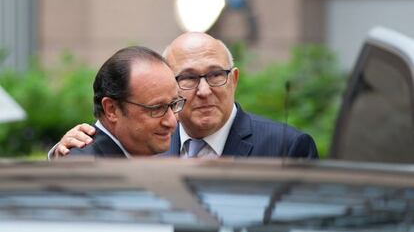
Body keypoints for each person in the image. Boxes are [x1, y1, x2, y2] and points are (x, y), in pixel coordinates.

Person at [50, 33, 318, 159]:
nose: (204, 91)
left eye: (215, 75)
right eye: (188, 78)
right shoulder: (149, 141)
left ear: (234, 80)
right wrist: (63, 156)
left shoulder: (287, 148)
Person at [60, 45, 185, 158]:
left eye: (174, 104)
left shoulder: (141, 153)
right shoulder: (85, 170)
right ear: (111, 109)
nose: (172, 122)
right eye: (157, 108)